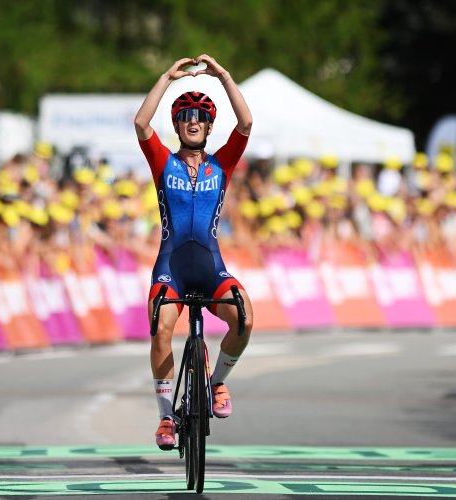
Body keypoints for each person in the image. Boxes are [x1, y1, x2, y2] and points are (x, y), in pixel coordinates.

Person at [134, 54, 254, 450]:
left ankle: (216, 382)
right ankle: (166, 417)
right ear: (178, 124)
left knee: (245, 318)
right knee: (161, 328)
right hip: (171, 267)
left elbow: (247, 123)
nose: (193, 121)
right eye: (186, 116)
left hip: (210, 266)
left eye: (200, 117)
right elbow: (140, 123)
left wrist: (223, 74)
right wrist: (168, 77)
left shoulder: (222, 164)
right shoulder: (162, 161)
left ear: (207, 126)